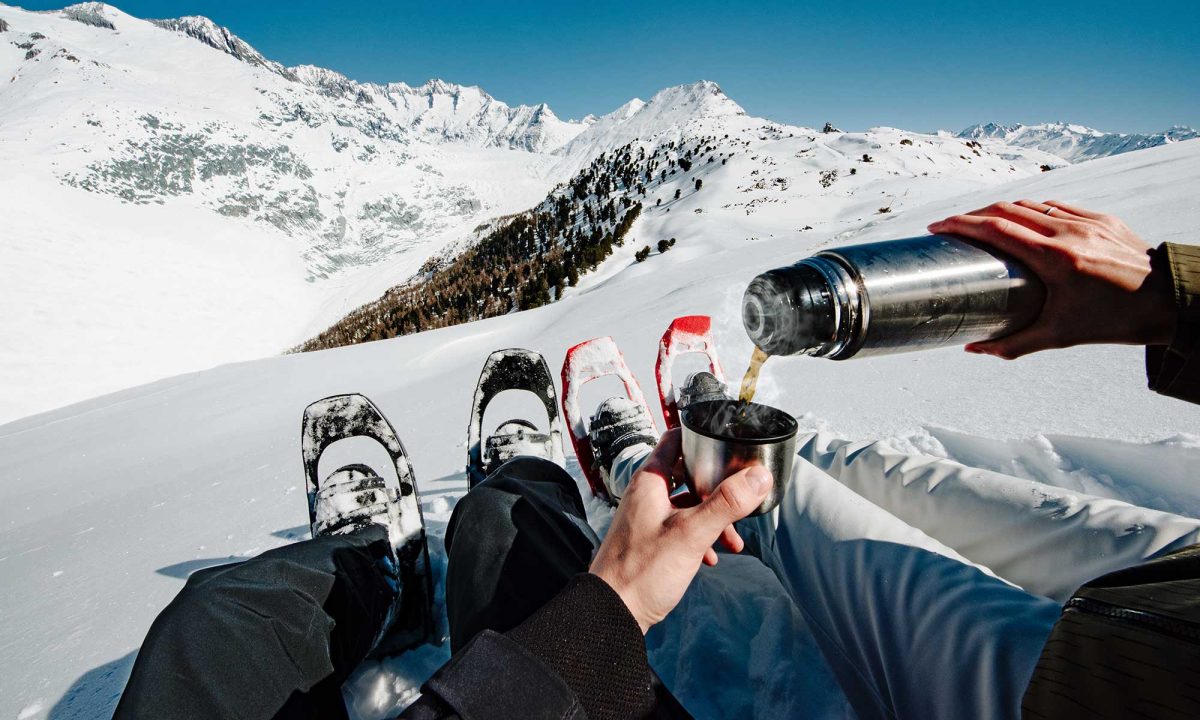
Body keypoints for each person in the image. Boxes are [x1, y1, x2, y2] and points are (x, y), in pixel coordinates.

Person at [114, 199, 1199, 720]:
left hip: (1101, 689)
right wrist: (1175, 298)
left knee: (211, 613)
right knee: (864, 478)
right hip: (1179, 586)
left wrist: (605, 615)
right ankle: (672, 449)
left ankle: (377, 560)